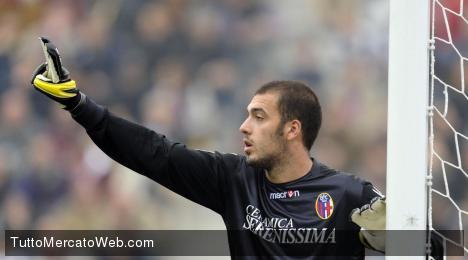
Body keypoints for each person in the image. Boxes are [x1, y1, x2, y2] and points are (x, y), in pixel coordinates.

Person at [31, 38, 440, 259]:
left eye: (259, 117)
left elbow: (432, 251)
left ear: (292, 129)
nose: (244, 126)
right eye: (247, 114)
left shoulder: (351, 196)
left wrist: (414, 240)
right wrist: (80, 106)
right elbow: (153, 153)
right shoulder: (232, 180)